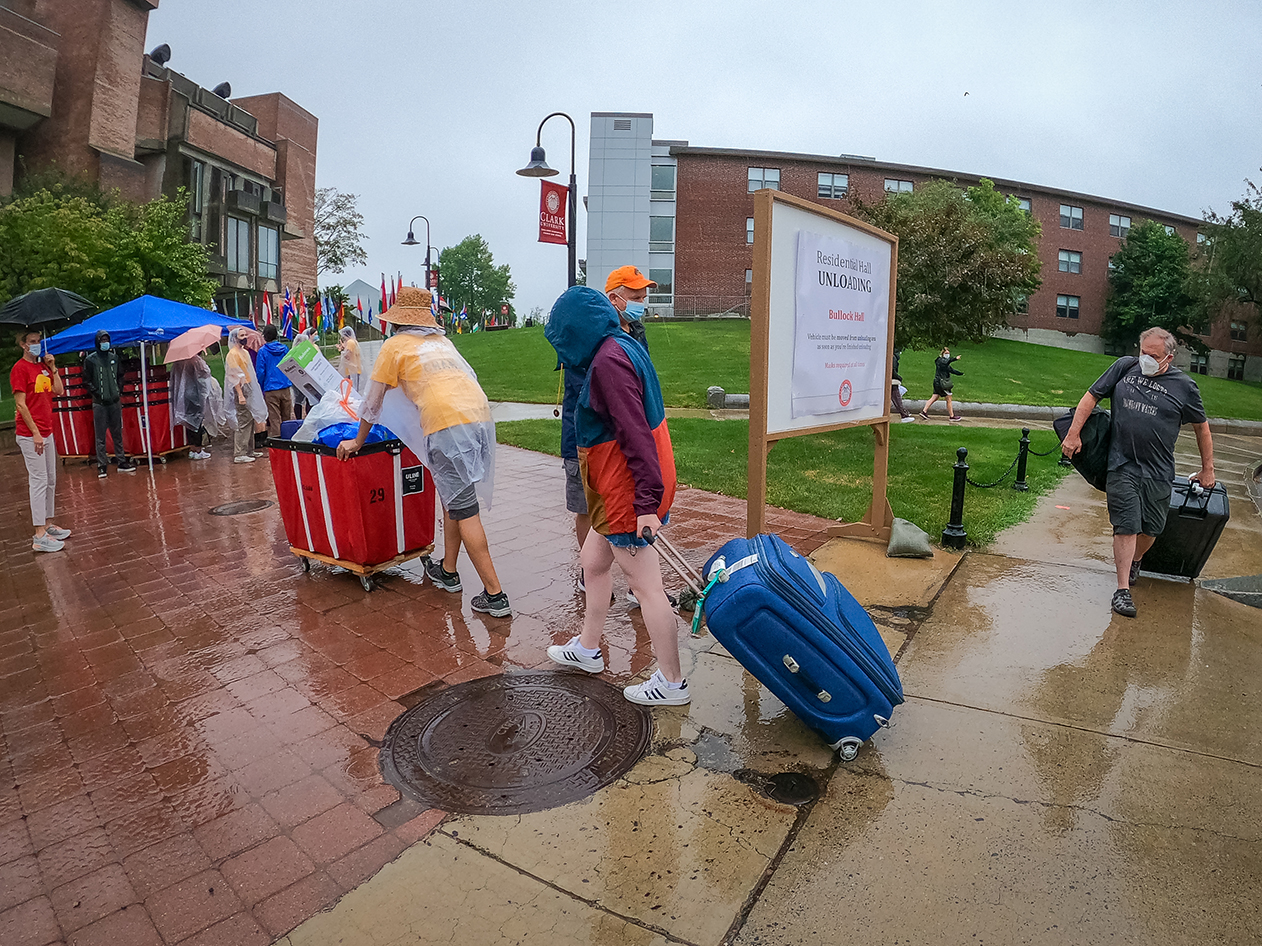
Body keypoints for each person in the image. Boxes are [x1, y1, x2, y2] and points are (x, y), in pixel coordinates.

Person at [543, 286, 688, 707]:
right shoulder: (621, 342)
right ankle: (588, 648)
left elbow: (635, 433)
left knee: (648, 589)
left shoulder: (608, 363)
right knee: (593, 563)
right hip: (616, 489)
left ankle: (672, 682)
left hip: (627, 492)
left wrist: (646, 503)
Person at [335, 287, 510, 618]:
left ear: (396, 320)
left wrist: (357, 442)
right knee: (454, 499)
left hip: (447, 425)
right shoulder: (442, 342)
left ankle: (495, 594)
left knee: (465, 509)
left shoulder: (394, 346)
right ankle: (447, 570)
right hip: (479, 418)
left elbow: (372, 403)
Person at [1062, 327, 1215, 618]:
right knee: (1126, 525)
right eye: (1142, 352)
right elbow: (1091, 396)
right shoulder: (1124, 367)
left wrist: (1208, 469)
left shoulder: (1184, 386)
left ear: (1168, 357)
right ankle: (1122, 591)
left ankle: (1135, 559)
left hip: (1158, 471)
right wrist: (1073, 434)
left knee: (1151, 529)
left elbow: (1201, 427)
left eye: (1153, 355)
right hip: (1122, 464)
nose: (1145, 359)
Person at [560, 265, 656, 600]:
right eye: (635, 296)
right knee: (587, 508)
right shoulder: (589, 338)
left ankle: (633, 583)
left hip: (625, 441)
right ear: (614, 299)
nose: (642, 301)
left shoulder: (636, 333)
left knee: (619, 511)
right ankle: (597, 578)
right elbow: (597, 396)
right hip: (588, 442)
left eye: (644, 295)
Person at [11, 329, 71, 553]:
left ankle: (47, 523)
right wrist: (35, 432)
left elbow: (59, 390)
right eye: (32, 342)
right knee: (38, 480)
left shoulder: (43, 367)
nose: (36, 345)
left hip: (47, 430)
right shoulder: (20, 369)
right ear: (23, 345)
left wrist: (53, 367)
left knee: (51, 479)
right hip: (31, 434)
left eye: (39, 341)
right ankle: (39, 534)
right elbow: (20, 404)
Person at [82, 330, 137, 478]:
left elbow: (120, 375)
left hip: (114, 401)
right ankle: (102, 465)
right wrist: (97, 393)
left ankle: (121, 461)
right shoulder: (90, 360)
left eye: (107, 340)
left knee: (117, 432)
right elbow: (86, 381)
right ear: (97, 342)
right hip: (99, 403)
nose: (105, 343)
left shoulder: (115, 358)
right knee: (100, 435)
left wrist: (118, 391)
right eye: (102, 340)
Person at [222, 327, 267, 463]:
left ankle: (249, 449)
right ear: (235, 338)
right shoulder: (232, 354)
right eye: (242, 335)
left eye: (245, 334)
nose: (245, 337)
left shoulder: (245, 352)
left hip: (248, 387)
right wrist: (240, 395)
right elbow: (234, 376)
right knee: (243, 420)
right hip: (240, 389)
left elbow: (250, 372)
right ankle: (239, 452)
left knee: (251, 418)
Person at [170, 351, 225, 460]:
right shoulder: (196, 361)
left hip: (184, 394)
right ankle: (198, 449)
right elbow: (204, 374)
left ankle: (192, 449)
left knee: (188, 422)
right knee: (197, 421)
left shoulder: (179, 361)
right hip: (195, 393)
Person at [254, 324, 295, 437]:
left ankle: (278, 440)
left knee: (274, 417)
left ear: (264, 336)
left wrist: (261, 386)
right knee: (286, 416)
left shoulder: (262, 351)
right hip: (285, 386)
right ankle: (288, 437)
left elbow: (261, 372)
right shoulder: (285, 348)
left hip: (271, 388)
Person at [920, 347, 964, 420]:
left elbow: (952, 370)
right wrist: (955, 359)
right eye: (946, 353)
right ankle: (952, 416)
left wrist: (961, 373)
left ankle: (924, 411)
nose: (947, 355)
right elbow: (947, 362)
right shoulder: (940, 361)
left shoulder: (943, 363)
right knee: (949, 398)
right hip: (941, 383)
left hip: (937, 382)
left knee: (935, 397)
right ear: (942, 353)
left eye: (948, 353)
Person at [890, 348, 914, 422]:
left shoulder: (891, 357)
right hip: (893, 381)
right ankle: (904, 415)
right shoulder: (893, 358)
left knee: (894, 399)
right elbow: (892, 370)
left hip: (889, 381)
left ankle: (904, 413)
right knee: (897, 399)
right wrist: (899, 377)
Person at [338, 326, 362, 391]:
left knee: (352, 389)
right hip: (355, 368)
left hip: (352, 369)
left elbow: (348, 355)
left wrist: (342, 353)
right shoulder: (354, 341)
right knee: (354, 388)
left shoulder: (350, 342)